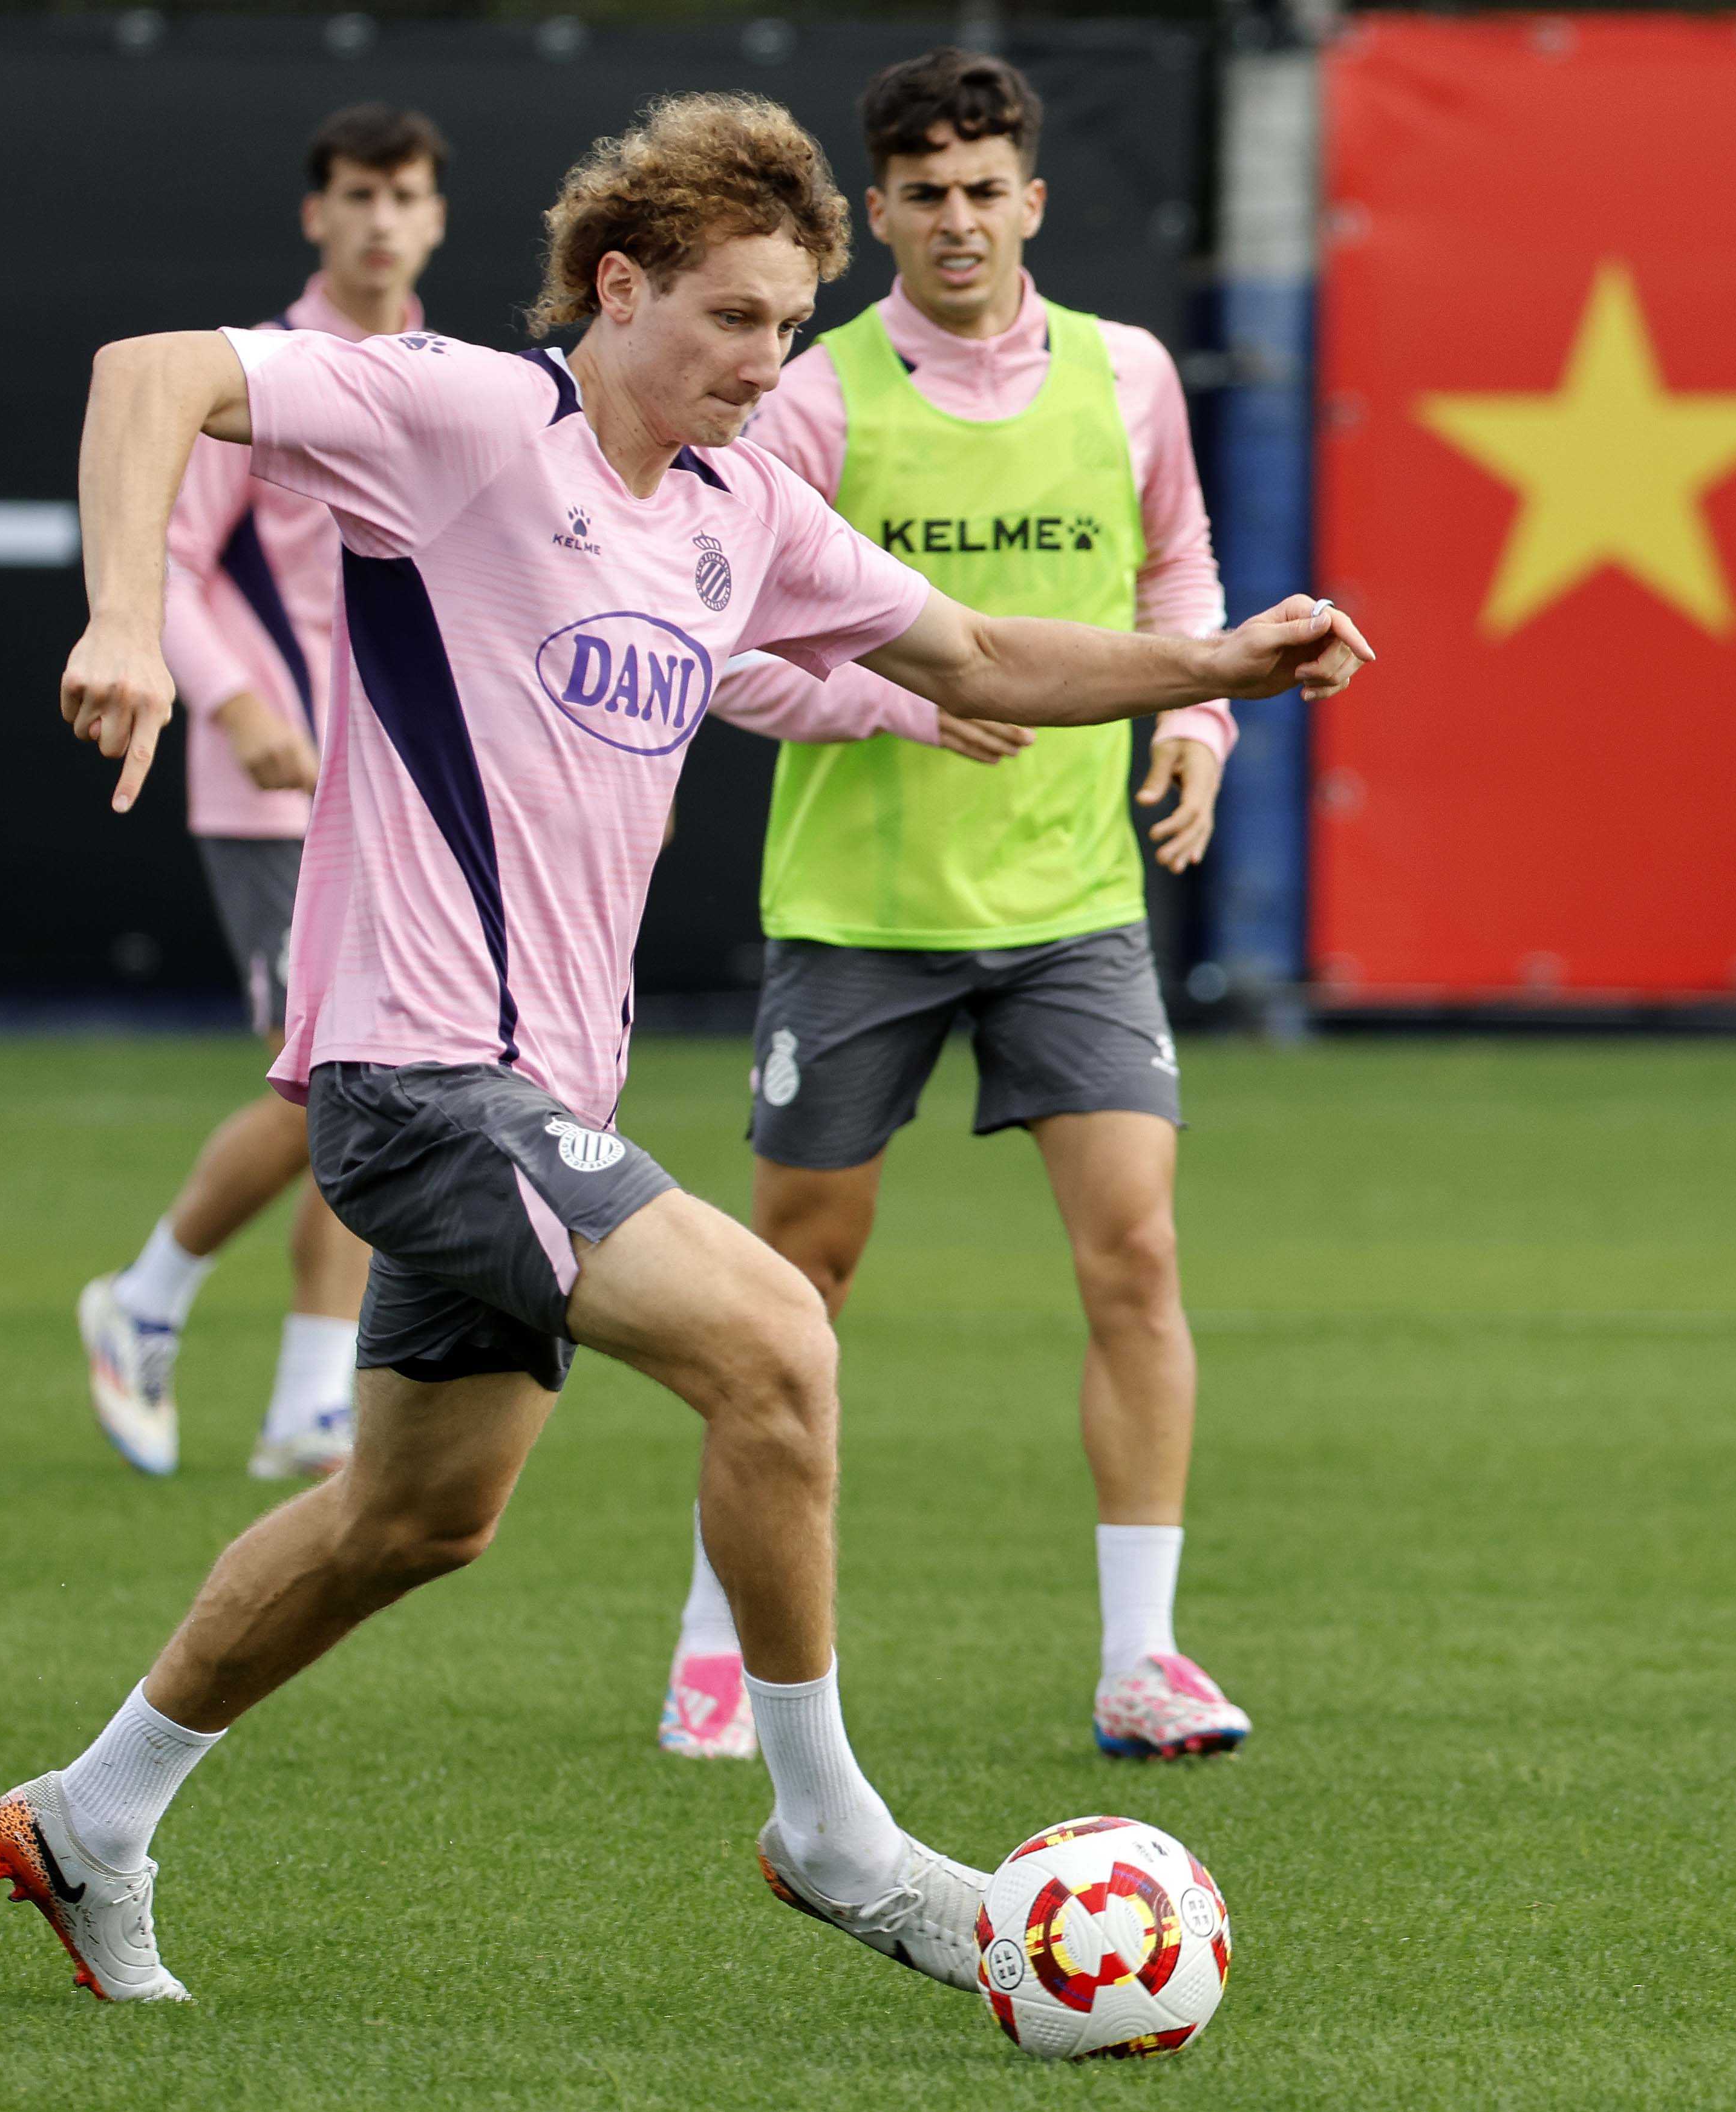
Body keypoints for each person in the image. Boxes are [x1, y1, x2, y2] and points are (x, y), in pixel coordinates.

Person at [0, 91, 1368, 2006]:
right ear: (617, 287)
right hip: (418, 1074)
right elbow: (146, 375)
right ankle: (829, 1829)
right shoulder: (468, 417)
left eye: (791, 327)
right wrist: (126, 621)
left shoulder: (739, 512)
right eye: (732, 320)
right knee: (779, 1342)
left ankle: (92, 1810)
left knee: (414, 1516)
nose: (765, 363)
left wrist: (1213, 667)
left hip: (537, 1095)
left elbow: (972, 653)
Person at [648, 48, 1251, 1767]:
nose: (958, 219)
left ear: (1032, 202)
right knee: (789, 1288)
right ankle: (715, 1638)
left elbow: (1178, 572)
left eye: (985, 188)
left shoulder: (1128, 374)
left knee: (1135, 1253)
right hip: (862, 907)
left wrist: (1195, 717)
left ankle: (1143, 1656)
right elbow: (730, 653)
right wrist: (899, 702)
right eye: (922, 193)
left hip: (1071, 899)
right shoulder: (815, 396)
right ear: (878, 215)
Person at [76, 105, 447, 1482]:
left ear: (436, 218)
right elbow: (162, 560)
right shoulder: (258, 375)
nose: (379, 220)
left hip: (397, 785)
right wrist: (235, 700)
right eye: (356, 194)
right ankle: (148, 1297)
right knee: (328, 1084)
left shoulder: (436, 375)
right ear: (317, 215)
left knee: (377, 1079)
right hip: (272, 789)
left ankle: (305, 1398)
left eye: (404, 196)